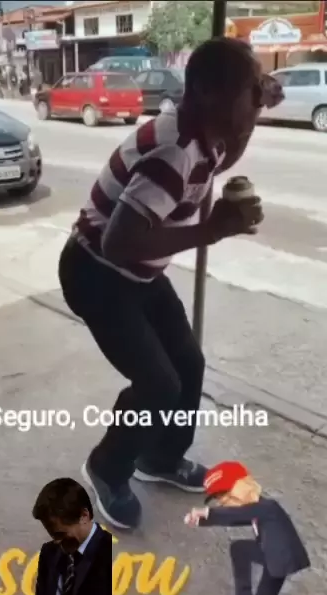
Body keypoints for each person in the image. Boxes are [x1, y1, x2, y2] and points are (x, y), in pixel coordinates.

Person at [58, 37, 284, 530]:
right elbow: (119, 242)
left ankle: (159, 457)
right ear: (207, 93)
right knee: (158, 382)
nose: (259, 98)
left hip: (138, 273)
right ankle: (107, 467)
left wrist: (252, 111)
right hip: (97, 273)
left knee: (188, 364)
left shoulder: (203, 132)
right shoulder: (173, 150)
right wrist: (213, 230)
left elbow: (225, 157)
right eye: (251, 89)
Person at [185, 461, 310, 595]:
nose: (224, 500)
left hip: (281, 559)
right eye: (220, 498)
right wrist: (201, 521)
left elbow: (236, 514)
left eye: (227, 492)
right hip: (269, 552)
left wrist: (206, 512)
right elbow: (236, 519)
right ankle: (245, 594)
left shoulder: (267, 507)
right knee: (240, 550)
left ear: (247, 483)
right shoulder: (255, 511)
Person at [33, 477, 112, 595]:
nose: (57, 542)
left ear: (84, 516)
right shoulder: (48, 553)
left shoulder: (110, 552)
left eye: (61, 534)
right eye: (53, 535)